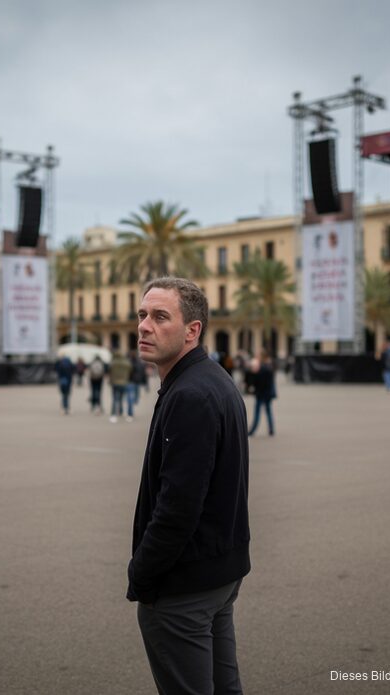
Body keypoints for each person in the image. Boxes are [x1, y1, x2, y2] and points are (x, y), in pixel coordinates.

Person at [128, 277, 250, 695]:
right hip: (216, 573)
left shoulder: (191, 394)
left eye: (160, 317)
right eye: (143, 315)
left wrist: (142, 574)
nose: (144, 326)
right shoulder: (211, 380)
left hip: (185, 587)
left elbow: (177, 507)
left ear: (192, 330)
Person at [247, 351, 276, 437]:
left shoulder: (261, 368)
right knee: (268, 411)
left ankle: (253, 429)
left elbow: (257, 381)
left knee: (257, 412)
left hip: (260, 393)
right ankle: (271, 429)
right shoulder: (269, 366)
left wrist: (253, 372)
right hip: (267, 393)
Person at [109, 350, 133, 423]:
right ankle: (123, 412)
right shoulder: (127, 363)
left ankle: (113, 415)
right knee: (123, 398)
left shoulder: (113, 363)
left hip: (115, 383)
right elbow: (131, 370)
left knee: (115, 399)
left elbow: (109, 371)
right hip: (124, 382)